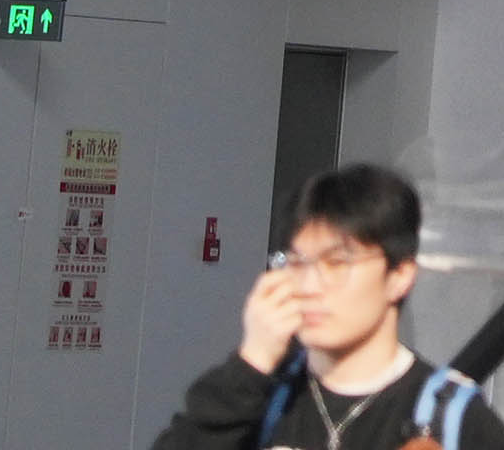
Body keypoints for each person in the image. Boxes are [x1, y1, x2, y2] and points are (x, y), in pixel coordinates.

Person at [153, 161, 453, 447]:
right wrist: (253, 362)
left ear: (399, 275)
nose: (309, 286)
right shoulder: (262, 397)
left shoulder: (451, 416)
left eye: (336, 263)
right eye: (297, 262)